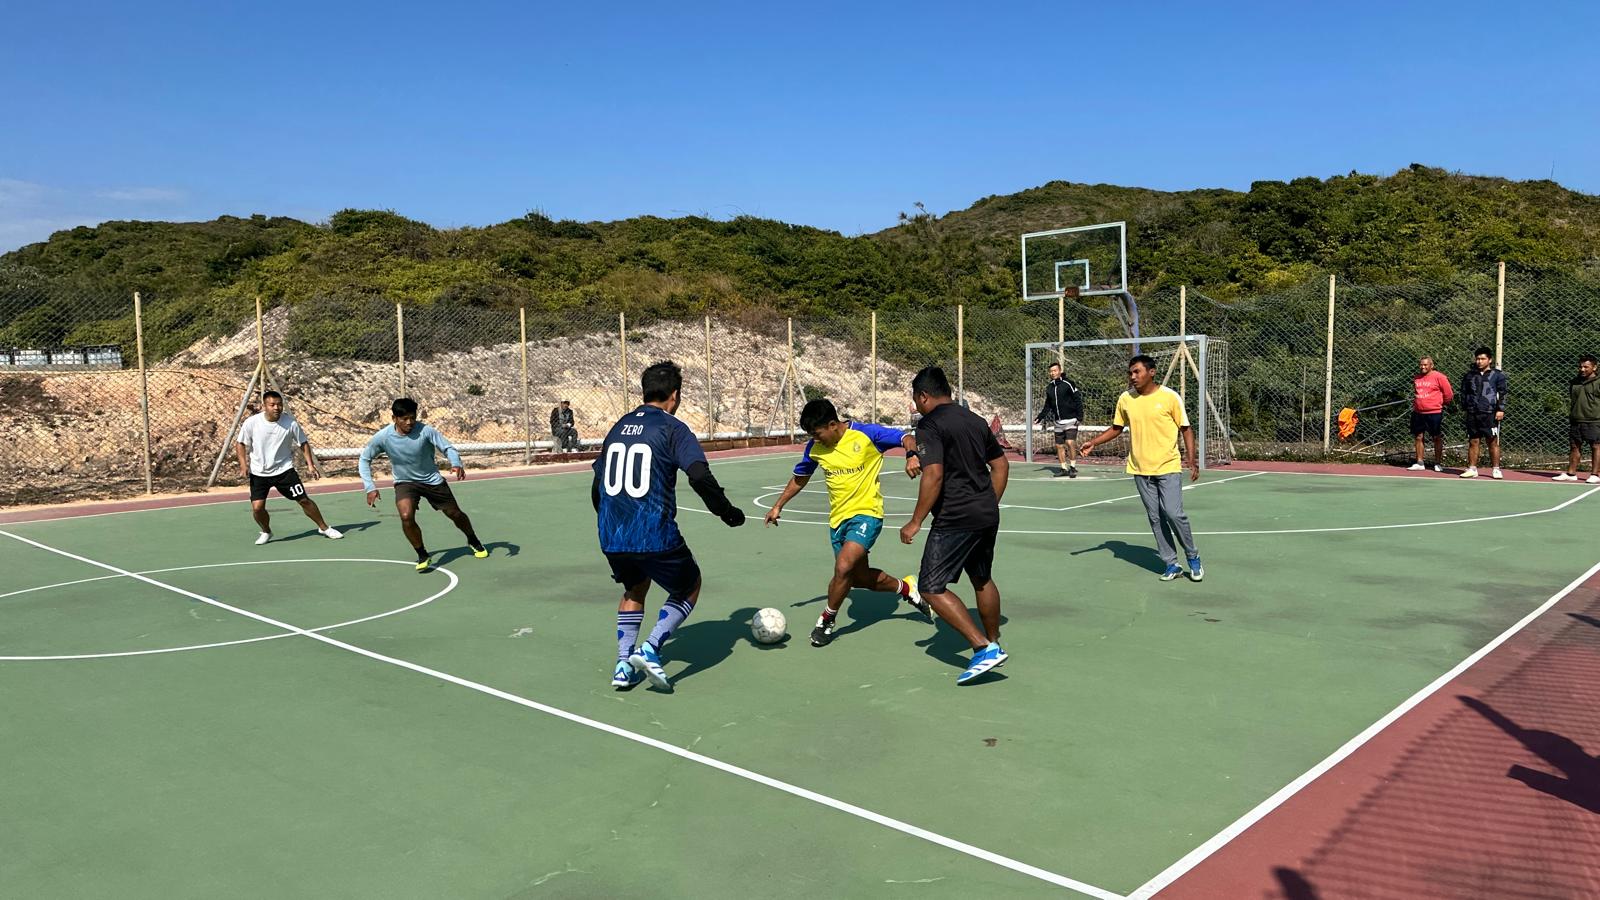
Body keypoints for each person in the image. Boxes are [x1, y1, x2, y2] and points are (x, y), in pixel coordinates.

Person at [595, 360, 746, 692]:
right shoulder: (673, 428)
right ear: (674, 395)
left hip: (612, 533)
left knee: (635, 588)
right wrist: (726, 512)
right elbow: (699, 475)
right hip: (653, 532)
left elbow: (598, 484)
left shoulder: (618, 427)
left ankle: (623, 665)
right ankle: (651, 648)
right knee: (689, 585)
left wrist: (608, 522)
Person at [764, 398, 931, 647]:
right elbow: (801, 478)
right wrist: (778, 505)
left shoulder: (866, 434)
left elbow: (906, 438)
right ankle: (906, 588)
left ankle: (826, 620)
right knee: (857, 578)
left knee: (843, 567)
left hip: (867, 514)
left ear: (833, 425)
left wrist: (911, 455)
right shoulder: (815, 448)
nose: (814, 439)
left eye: (817, 433)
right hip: (838, 520)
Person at [898, 366, 1009, 686]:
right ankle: (994, 642)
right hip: (985, 513)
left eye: (915, 399)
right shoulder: (975, 420)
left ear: (923, 396)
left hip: (954, 518)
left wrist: (915, 521)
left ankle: (983, 648)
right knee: (982, 578)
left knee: (930, 587)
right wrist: (988, 502)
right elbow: (1001, 466)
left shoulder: (929, 425)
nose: (916, 406)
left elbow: (933, 475)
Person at [1078, 355, 1203, 582]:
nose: (1132, 376)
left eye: (1137, 372)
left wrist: (1192, 460)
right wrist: (1094, 442)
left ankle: (1193, 556)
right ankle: (1172, 563)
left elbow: (1186, 429)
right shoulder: (1126, 399)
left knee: (1174, 514)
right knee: (1155, 518)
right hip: (1139, 468)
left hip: (1167, 466)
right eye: (1130, 373)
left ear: (1151, 372)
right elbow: (1117, 428)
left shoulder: (1169, 397)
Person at [360, 398, 488, 571]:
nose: (409, 422)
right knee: (406, 516)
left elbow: (448, 448)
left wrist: (456, 463)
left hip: (432, 480)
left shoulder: (426, 431)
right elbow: (364, 459)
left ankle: (472, 539)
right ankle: (422, 553)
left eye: (412, 418)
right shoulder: (383, 437)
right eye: (404, 419)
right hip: (405, 482)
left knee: (454, 513)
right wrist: (370, 487)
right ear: (394, 418)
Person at [234, 390, 342, 544]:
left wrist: (310, 465)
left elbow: (303, 443)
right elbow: (240, 443)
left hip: (284, 471)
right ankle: (266, 531)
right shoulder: (252, 423)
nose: (276, 408)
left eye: (279, 404)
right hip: (259, 473)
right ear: (264, 406)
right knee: (257, 508)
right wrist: (243, 465)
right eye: (272, 405)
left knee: (304, 500)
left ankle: (324, 528)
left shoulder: (290, 423)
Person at [1459, 347, 1508, 480]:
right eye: (1477, 359)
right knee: (1473, 440)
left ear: (1489, 360)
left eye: (1482, 359)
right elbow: (1464, 392)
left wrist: (1500, 409)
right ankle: (1472, 469)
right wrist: (1466, 407)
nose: (1479, 361)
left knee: (1492, 441)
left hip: (1489, 412)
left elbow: (1503, 393)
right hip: (1472, 412)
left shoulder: (1497, 375)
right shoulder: (1469, 375)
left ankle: (1496, 469)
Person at [1035, 361, 1085, 477]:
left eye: (1055, 370)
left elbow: (1077, 399)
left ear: (1060, 371)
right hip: (1058, 421)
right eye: (1051, 371)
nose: (1053, 373)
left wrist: (1080, 416)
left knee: (1070, 442)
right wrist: (1040, 416)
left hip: (1071, 419)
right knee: (1059, 445)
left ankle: (1073, 467)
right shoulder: (1049, 387)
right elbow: (1048, 405)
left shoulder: (1068, 383)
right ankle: (1063, 469)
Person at [1555, 355, 1600, 483]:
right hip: (1576, 420)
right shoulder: (1574, 382)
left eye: (1586, 367)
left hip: (1595, 420)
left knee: (1596, 446)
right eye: (1580, 367)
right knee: (1574, 446)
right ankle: (1571, 474)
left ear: (1594, 367)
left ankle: (1595, 475)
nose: (1582, 369)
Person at [1407, 356, 1453, 473]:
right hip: (1418, 413)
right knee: (1418, 437)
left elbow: (1448, 394)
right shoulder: (1417, 377)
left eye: (1425, 365)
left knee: (1436, 437)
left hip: (1434, 412)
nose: (1422, 367)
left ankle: (1437, 463)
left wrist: (1440, 403)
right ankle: (1420, 462)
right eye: (1421, 365)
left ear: (1431, 366)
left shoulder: (1439, 377)